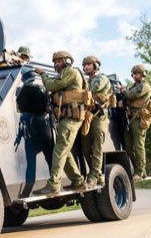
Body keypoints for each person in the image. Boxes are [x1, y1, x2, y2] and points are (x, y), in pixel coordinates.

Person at [38, 50, 88, 195]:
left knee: (59, 150)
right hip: (66, 118)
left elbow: (52, 86)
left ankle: (54, 184)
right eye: (55, 62)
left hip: (72, 118)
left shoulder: (71, 72)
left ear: (67, 61)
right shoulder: (63, 74)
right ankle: (78, 182)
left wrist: (42, 74)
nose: (56, 64)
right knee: (64, 152)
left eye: (59, 61)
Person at [80, 55, 112, 189]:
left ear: (96, 65)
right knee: (86, 147)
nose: (86, 67)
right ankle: (98, 175)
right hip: (88, 116)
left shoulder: (102, 79)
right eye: (85, 65)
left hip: (99, 117)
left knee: (97, 147)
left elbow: (94, 90)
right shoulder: (87, 81)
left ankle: (92, 177)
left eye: (89, 64)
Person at [123, 64, 151, 180]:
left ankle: (140, 172)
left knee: (139, 146)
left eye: (137, 73)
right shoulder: (135, 86)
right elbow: (128, 98)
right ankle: (140, 170)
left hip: (139, 119)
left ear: (143, 74)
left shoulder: (144, 87)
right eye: (133, 74)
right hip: (131, 119)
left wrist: (124, 91)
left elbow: (131, 95)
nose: (135, 76)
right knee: (128, 146)